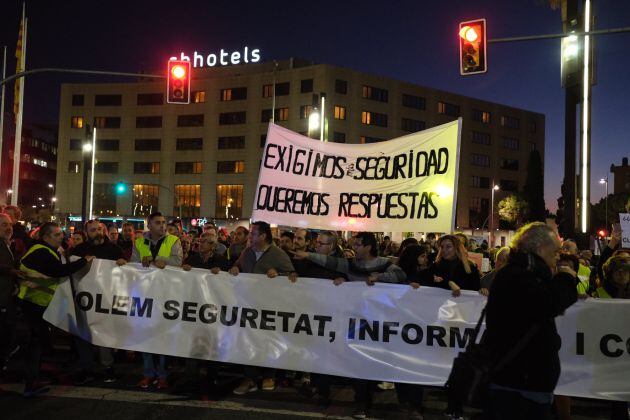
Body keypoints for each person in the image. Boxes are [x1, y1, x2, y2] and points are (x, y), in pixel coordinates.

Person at [293, 232, 406, 418]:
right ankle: (351, 398)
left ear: (369, 247)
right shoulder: (351, 265)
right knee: (354, 361)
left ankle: (362, 401)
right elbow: (329, 262)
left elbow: (400, 275)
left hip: (373, 321)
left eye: (359, 244)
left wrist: (379, 277)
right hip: (352, 321)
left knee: (363, 362)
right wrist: (307, 255)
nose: (354, 247)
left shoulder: (384, 263)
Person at [483, 222, 578, 420]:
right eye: (555, 251)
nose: (557, 256)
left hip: (518, 379)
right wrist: (567, 279)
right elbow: (549, 304)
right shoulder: (522, 276)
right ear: (540, 248)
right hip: (522, 382)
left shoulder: (518, 272)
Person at [18, 222, 95, 397]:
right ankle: (31, 382)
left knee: (37, 343)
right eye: (57, 234)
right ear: (46, 237)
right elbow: (59, 271)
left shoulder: (45, 250)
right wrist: (84, 261)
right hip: (32, 301)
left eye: (61, 234)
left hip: (35, 301)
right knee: (35, 343)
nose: (62, 237)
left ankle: (32, 378)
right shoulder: (42, 251)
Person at [230, 221, 294, 395]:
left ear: (264, 236)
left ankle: (269, 376)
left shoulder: (279, 255)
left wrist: (279, 275)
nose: (250, 236)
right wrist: (235, 267)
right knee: (248, 341)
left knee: (268, 340)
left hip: (269, 306)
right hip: (248, 305)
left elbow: (292, 277)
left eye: (253, 233)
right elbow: (237, 265)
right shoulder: (247, 252)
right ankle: (250, 378)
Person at [124, 212, 183, 390]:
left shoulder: (173, 240)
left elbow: (178, 261)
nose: (162, 226)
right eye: (158, 223)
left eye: (164, 222)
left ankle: (163, 375)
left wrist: (159, 260)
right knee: (146, 335)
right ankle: (148, 374)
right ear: (149, 225)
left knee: (162, 336)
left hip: (166, 295)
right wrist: (140, 261)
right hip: (145, 294)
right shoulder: (139, 242)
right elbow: (133, 264)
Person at [69, 219, 124, 384]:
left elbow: (124, 272)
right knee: (83, 334)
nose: (97, 232)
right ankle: (87, 368)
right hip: (85, 299)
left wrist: (123, 263)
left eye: (99, 229)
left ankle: (108, 367)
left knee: (104, 333)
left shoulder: (115, 249)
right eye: (93, 230)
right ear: (87, 233)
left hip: (105, 299)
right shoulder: (79, 250)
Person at [0, 213, 24, 374]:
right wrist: (12, 272)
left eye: (10, 225)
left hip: (7, 297)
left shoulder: (7, 244)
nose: (9, 228)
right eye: (4, 225)